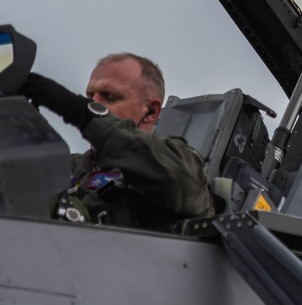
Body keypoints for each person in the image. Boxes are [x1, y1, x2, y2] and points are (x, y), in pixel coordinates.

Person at [20, 52, 213, 232]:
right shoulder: (68, 167)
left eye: (109, 97)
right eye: (89, 97)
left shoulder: (182, 166)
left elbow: (174, 176)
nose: (92, 104)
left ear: (151, 111)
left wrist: (75, 108)